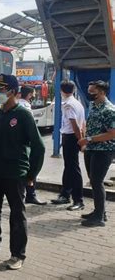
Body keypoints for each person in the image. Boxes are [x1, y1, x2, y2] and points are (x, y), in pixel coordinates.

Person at [0, 74, 45, 271]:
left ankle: (18, 254)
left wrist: (32, 174)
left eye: (3, 89)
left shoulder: (23, 115)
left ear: (14, 92)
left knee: (17, 215)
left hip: (15, 174)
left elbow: (39, 147)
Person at [78, 80, 115, 227]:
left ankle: (99, 218)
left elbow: (112, 134)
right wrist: (86, 142)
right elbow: (89, 124)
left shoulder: (109, 110)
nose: (90, 95)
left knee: (97, 181)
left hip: (104, 150)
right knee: (93, 180)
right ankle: (100, 211)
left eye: (93, 92)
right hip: (92, 149)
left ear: (102, 92)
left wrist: (88, 139)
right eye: (89, 92)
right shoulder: (93, 105)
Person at [51, 80, 86, 211]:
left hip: (71, 138)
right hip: (73, 137)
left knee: (73, 169)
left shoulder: (69, 105)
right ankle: (65, 194)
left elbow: (75, 124)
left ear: (62, 91)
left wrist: (80, 140)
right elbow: (83, 123)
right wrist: (82, 137)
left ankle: (78, 200)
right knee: (69, 167)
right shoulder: (78, 103)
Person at [18, 85, 47, 205]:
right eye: (33, 94)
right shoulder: (26, 108)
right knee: (31, 168)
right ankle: (31, 194)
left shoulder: (16, 104)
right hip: (26, 144)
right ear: (30, 95)